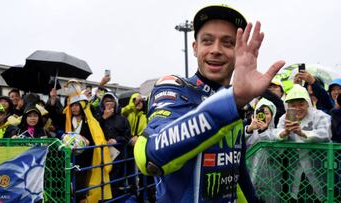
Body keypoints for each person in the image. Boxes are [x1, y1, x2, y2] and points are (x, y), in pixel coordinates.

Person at [133, 4, 284, 203]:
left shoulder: (234, 103)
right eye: (207, 41)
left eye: (227, 43)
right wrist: (233, 101)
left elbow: (237, 173)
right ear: (195, 48)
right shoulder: (174, 86)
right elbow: (149, 156)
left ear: (238, 51)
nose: (216, 50)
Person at [47, 82, 112, 203]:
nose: (74, 108)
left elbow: (96, 135)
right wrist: (53, 98)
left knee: (81, 183)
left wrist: (86, 142)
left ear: (82, 106)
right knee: (67, 182)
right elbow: (54, 115)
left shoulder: (90, 120)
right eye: (72, 105)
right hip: (68, 156)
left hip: (85, 156)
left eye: (77, 105)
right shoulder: (66, 118)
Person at [275, 84, 331, 201]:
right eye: (293, 105)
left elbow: (326, 133)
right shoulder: (284, 118)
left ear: (308, 103)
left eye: (301, 104)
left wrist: (302, 133)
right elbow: (275, 134)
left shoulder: (319, 116)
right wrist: (284, 133)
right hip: (293, 173)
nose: (297, 108)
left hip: (318, 170)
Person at [245, 98, 281, 202]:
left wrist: (264, 131)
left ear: (272, 115)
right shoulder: (249, 130)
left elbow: (277, 152)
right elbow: (239, 143)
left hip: (271, 180)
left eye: (267, 113)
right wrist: (249, 129)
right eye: (260, 113)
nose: (264, 116)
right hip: (250, 177)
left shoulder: (277, 132)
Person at [98, 92, 131, 199]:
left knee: (115, 181)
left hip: (118, 155)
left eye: (111, 101)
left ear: (115, 103)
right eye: (106, 101)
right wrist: (103, 117)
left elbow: (127, 136)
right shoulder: (99, 117)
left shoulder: (122, 119)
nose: (109, 104)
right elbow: (93, 131)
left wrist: (116, 140)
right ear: (102, 104)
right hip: (101, 154)